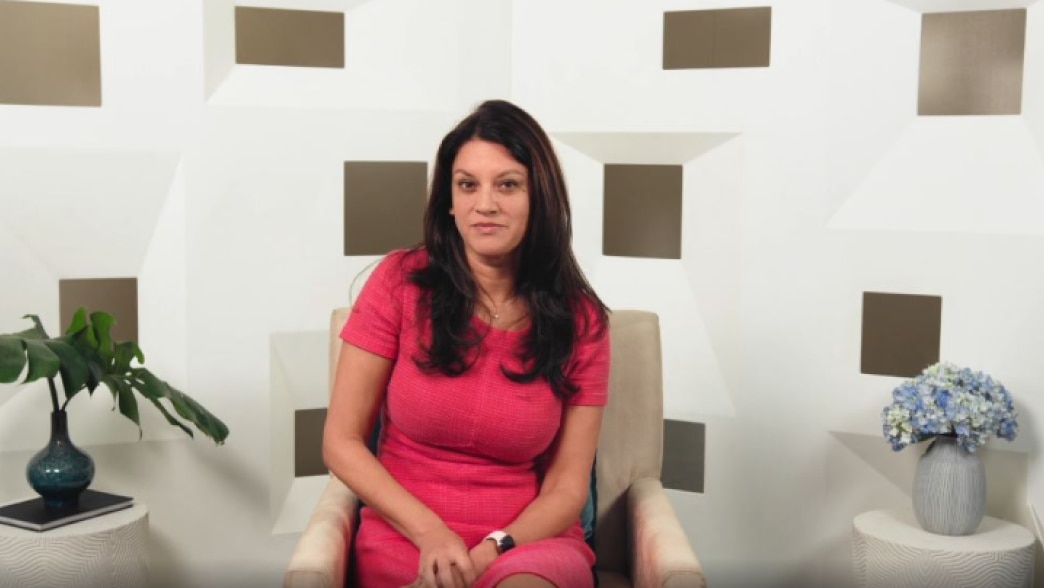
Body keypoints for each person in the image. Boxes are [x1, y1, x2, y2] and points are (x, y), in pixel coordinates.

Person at [323, 99, 611, 588]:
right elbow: (341, 442)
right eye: (467, 185)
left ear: (538, 195)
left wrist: (490, 551)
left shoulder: (582, 321)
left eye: (508, 184)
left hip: (525, 543)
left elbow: (565, 488)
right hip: (408, 537)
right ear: (449, 201)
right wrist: (431, 532)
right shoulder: (399, 282)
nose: (485, 204)